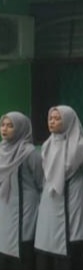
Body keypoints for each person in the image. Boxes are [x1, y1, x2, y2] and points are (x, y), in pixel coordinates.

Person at [34, 105, 83, 270]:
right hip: (50, 200)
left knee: (72, 242)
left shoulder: (80, 145)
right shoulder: (47, 145)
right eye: (50, 118)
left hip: (73, 199)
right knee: (49, 242)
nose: (52, 122)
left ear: (68, 121)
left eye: (57, 118)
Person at [0, 112, 42, 270]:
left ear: (20, 128)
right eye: (3, 125)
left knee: (22, 248)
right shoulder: (1, 150)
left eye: (10, 126)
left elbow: (41, 182)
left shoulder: (29, 152)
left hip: (25, 210)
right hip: (5, 207)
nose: (5, 129)